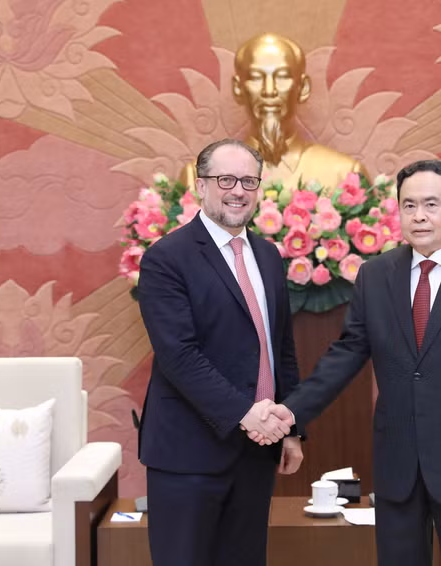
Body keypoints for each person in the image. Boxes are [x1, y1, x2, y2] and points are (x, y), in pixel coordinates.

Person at [259, 159, 441, 566]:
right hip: (397, 464)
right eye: (408, 205)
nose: (419, 216)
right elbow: (347, 352)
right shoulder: (376, 275)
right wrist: (291, 413)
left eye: (431, 204)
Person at [137, 138, 303, 566]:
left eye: (249, 180)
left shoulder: (267, 255)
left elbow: (280, 348)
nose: (238, 190)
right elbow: (179, 356)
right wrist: (247, 415)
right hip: (189, 454)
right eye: (226, 179)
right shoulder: (166, 258)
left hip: (256, 453)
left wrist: (292, 428)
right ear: (200, 186)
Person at [182, 33, 366, 192]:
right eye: (255, 77)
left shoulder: (345, 175)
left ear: (302, 88)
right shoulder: (201, 178)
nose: (269, 91)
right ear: (238, 88)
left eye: (282, 77)